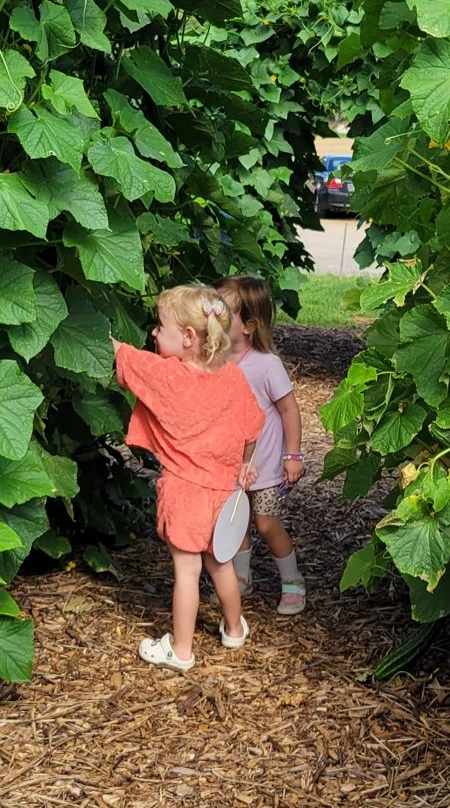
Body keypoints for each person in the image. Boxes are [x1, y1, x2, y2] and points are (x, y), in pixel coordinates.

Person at [113, 285, 264, 672]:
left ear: (188, 337)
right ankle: (234, 629)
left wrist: (108, 336)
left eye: (160, 326)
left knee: (186, 571)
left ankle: (181, 651)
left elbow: (125, 359)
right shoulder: (232, 377)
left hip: (184, 492)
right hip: (223, 491)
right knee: (221, 565)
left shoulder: (169, 376)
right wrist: (245, 464)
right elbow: (251, 427)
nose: (153, 333)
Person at [218, 275, 306, 616]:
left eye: (223, 314)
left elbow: (288, 409)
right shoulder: (215, 361)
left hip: (266, 466)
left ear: (249, 326)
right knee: (234, 521)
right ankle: (240, 580)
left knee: (266, 524)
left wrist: (293, 455)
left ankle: (292, 580)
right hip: (229, 464)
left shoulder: (266, 365)